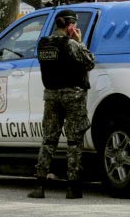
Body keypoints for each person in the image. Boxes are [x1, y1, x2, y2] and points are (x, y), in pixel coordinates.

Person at [29, 13, 96, 200]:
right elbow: (90, 62)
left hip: (51, 96)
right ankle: (72, 187)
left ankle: (39, 185)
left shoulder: (43, 44)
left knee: (49, 141)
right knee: (74, 142)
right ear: (70, 27)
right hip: (73, 96)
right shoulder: (70, 44)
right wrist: (80, 41)